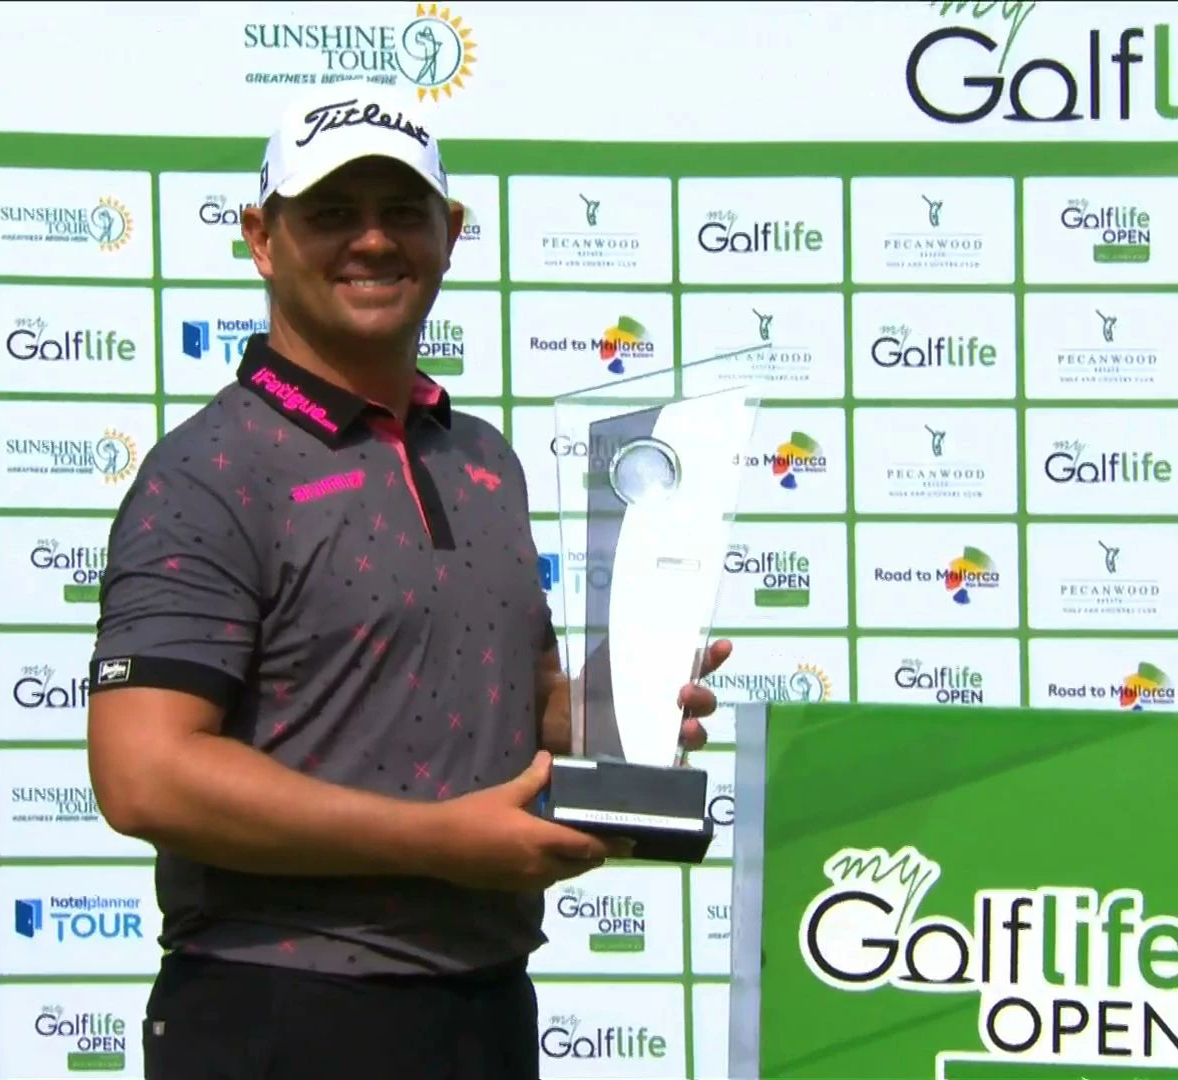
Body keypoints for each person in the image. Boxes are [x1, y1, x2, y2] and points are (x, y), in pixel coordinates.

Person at [81, 83, 732, 1080]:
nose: (374, 240)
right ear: (261, 239)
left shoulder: (482, 459)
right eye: (332, 213)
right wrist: (437, 841)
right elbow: (144, 775)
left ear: (451, 232)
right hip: (279, 1010)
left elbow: (510, 700)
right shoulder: (208, 471)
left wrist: (610, 711)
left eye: (401, 211)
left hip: (485, 1004)